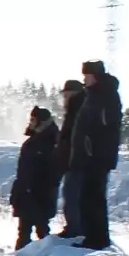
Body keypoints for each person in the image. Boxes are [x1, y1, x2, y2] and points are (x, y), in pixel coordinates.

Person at [75, 59, 123, 249]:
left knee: (94, 199)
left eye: (86, 75)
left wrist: (91, 146)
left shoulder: (105, 94)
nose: (84, 79)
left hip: (98, 157)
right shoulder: (94, 94)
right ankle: (91, 236)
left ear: (94, 76)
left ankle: (97, 239)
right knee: (87, 198)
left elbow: (105, 126)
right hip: (91, 156)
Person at [10, 106, 61, 249]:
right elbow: (23, 170)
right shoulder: (32, 141)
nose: (30, 122)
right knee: (23, 231)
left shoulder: (52, 141)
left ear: (42, 121)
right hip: (26, 193)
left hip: (41, 194)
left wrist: (43, 188)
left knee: (42, 231)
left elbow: (54, 170)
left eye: (33, 119)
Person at [55, 78, 86, 238]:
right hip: (71, 162)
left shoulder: (79, 111)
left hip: (77, 162)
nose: (65, 99)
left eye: (67, 95)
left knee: (73, 196)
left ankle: (75, 229)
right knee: (70, 195)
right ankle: (73, 227)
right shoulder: (73, 112)